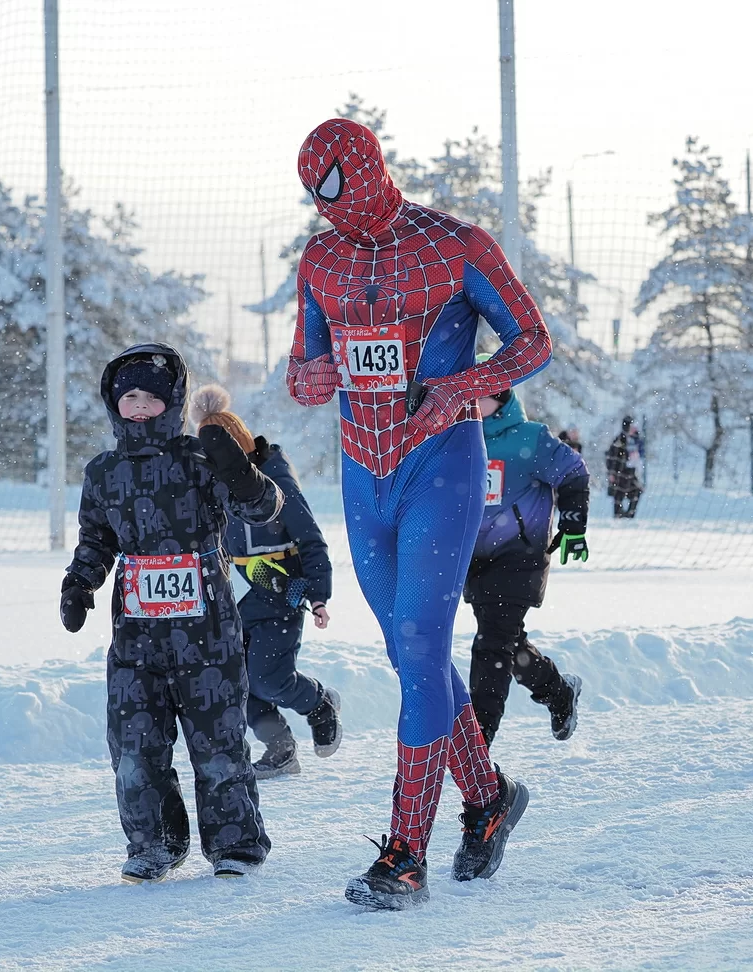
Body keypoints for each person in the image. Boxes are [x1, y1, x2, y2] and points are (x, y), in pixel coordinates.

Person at [287, 117, 550, 910]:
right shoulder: (320, 259)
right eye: (313, 192)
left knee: (420, 642)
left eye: (334, 186)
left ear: (366, 170)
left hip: (441, 466)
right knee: (412, 656)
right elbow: (303, 368)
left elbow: (532, 340)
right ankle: (490, 798)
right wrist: (310, 378)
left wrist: (463, 386)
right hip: (362, 478)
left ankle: (406, 856)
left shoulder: (456, 243)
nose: (325, 205)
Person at [59, 344, 284, 883]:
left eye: (152, 397)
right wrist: (79, 582)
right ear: (114, 403)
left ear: (174, 402)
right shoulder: (103, 472)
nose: (139, 406)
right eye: (129, 396)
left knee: (218, 744)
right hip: (135, 638)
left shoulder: (199, 458)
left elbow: (264, 509)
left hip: (207, 631)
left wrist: (243, 475)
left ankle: (236, 845)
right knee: (134, 746)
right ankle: (154, 843)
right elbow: (96, 539)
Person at [190, 384, 341, 781]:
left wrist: (319, 594)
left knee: (269, 678)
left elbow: (310, 538)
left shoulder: (275, 482)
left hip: (279, 593)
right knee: (235, 682)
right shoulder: (210, 485)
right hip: (231, 597)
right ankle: (280, 748)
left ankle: (319, 704)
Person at [465, 383, 587, 745]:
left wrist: (573, 524)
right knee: (507, 643)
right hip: (474, 561)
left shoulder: (530, 438)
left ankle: (478, 742)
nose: (470, 401)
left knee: (491, 645)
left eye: (479, 395)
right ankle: (558, 691)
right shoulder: (458, 439)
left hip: (520, 557)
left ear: (500, 397)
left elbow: (573, 471)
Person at [605, 416, 644, 518]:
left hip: (632, 471)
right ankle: (618, 515)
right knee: (619, 494)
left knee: (636, 491)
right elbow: (612, 457)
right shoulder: (619, 440)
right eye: (632, 426)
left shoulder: (636, 439)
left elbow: (640, 453)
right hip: (620, 472)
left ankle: (630, 514)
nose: (635, 428)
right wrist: (611, 473)